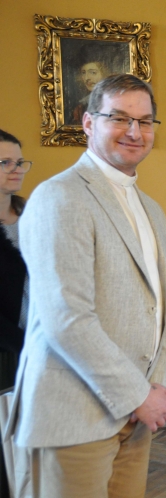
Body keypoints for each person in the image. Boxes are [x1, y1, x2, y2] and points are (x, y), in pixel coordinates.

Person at [8, 74, 166, 497]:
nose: (135, 131)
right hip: (74, 413)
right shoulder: (59, 196)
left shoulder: (152, 209)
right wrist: (138, 395)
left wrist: (158, 385)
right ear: (88, 123)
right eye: (119, 118)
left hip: (135, 414)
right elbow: (66, 318)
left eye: (145, 121)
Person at [0, 130, 32, 388]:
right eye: (5, 162)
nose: (17, 169)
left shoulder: (35, 215)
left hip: (47, 343)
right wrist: (25, 346)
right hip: (8, 353)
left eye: (20, 162)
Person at [70, 60, 110, 125]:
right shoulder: (80, 108)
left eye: (93, 73)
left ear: (104, 74)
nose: (87, 78)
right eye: (83, 73)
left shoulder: (114, 101)